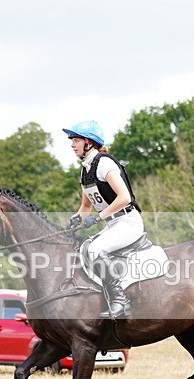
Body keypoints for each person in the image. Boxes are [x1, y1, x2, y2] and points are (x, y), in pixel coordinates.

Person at [63, 120, 144, 319]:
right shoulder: (85, 170)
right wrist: (76, 219)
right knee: (83, 249)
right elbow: (86, 206)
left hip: (128, 222)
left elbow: (124, 197)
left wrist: (99, 218)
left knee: (95, 249)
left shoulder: (104, 163)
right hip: (113, 224)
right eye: (72, 140)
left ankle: (120, 302)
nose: (72, 144)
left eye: (76, 140)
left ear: (88, 142)